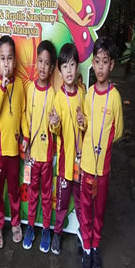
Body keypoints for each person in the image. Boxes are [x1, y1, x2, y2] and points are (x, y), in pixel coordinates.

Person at [79, 36, 123, 268]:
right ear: (92, 64)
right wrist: (81, 121)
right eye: (97, 61)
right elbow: (85, 124)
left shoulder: (114, 97)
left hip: (103, 168)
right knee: (86, 208)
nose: (100, 67)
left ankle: (95, 246)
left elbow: (119, 131)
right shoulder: (89, 94)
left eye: (105, 62)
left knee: (99, 210)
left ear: (112, 65)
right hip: (86, 165)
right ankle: (86, 248)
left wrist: (103, 145)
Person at [0, 35, 29, 249]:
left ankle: (15, 223)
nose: (6, 63)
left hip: (14, 150)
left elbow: (22, 114)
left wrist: (26, 136)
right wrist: (3, 88)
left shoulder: (21, 85)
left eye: (10, 58)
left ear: (15, 61)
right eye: (3, 59)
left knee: (14, 190)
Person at [49, 42, 85, 255]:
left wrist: (83, 121)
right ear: (59, 71)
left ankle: (83, 234)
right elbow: (55, 129)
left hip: (81, 161)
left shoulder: (82, 93)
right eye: (65, 66)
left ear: (77, 67)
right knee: (62, 201)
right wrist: (54, 123)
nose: (69, 70)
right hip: (64, 161)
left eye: (72, 65)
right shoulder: (58, 97)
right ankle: (57, 233)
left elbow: (85, 124)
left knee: (81, 201)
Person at [22, 40, 57, 253]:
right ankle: (30, 227)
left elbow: (54, 126)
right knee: (32, 192)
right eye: (40, 61)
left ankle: (45, 229)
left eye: (47, 63)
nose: (42, 66)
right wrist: (26, 143)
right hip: (33, 155)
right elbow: (26, 118)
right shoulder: (30, 90)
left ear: (52, 68)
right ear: (36, 62)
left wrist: (54, 123)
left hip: (47, 155)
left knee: (46, 194)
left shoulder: (54, 94)